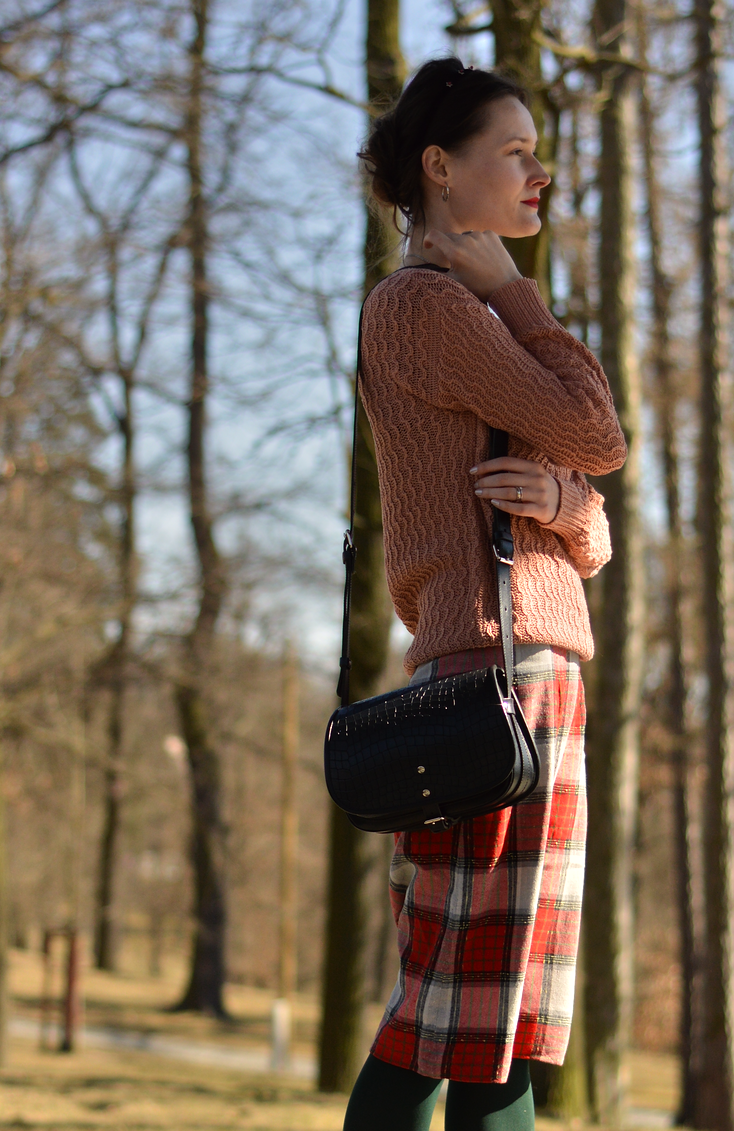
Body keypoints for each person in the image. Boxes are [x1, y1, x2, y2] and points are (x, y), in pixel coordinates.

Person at [342, 57, 627, 1131]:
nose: (536, 171)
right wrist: (513, 288)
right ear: (438, 168)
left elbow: (586, 523)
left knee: (487, 1015)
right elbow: (598, 431)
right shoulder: (435, 308)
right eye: (511, 151)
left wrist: (563, 499)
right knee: (457, 1012)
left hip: (510, 669)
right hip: (497, 678)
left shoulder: (450, 317)